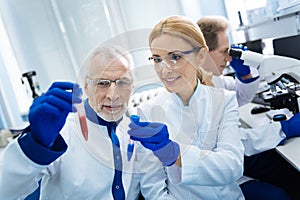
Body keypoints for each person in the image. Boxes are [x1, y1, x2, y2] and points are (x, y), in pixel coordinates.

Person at [0, 45, 172, 200]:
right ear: (86, 87)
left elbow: (154, 191)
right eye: (102, 84)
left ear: (132, 88)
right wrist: (35, 144)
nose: (113, 95)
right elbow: (5, 191)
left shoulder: (136, 132)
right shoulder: (61, 133)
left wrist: (169, 154)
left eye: (122, 83)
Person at [127, 15, 245, 199]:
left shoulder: (224, 101)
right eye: (157, 59)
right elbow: (153, 188)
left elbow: (232, 166)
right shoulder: (148, 111)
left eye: (175, 57)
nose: (164, 70)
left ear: (201, 56)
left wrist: (175, 154)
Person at [198, 15, 300, 200]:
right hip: (216, 176)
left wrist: (245, 72)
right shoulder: (197, 92)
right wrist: (285, 129)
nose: (229, 58)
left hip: (231, 158)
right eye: (224, 52)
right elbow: (234, 142)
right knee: (279, 194)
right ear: (204, 53)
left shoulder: (214, 79)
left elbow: (240, 96)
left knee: (286, 170)